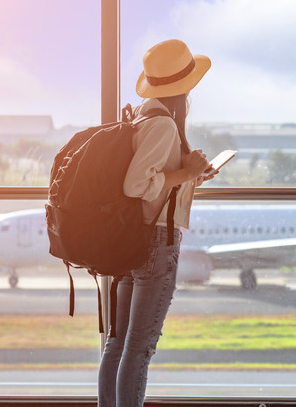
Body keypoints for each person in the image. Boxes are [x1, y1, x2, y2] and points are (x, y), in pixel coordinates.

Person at [97, 39, 212, 407]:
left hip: (129, 241)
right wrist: (184, 173)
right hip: (153, 243)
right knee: (138, 349)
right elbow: (136, 186)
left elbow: (153, 175)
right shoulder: (162, 125)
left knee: (118, 344)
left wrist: (190, 173)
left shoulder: (142, 117)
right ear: (184, 90)